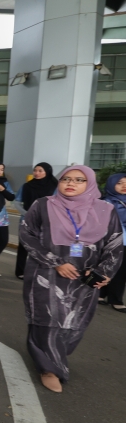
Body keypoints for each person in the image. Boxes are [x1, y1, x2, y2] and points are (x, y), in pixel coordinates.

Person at [21, 165, 122, 392]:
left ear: (90, 184)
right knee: (47, 319)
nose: (71, 183)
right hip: (46, 273)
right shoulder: (44, 205)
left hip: (85, 276)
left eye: (79, 180)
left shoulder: (106, 209)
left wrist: (104, 271)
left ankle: (55, 355)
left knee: (74, 322)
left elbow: (114, 244)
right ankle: (49, 368)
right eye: (66, 178)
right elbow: (27, 235)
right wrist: (56, 262)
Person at [16, 163, 58, 278]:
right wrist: (27, 214)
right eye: (35, 170)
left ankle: (39, 271)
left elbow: (57, 203)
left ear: (47, 172)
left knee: (43, 246)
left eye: (40, 171)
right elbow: (17, 201)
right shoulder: (27, 186)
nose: (37, 173)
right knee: (24, 245)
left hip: (46, 220)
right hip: (27, 220)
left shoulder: (55, 186)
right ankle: (20, 271)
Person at [101, 173, 126, 312]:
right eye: (119, 183)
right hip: (113, 241)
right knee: (108, 267)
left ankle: (108, 296)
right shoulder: (107, 203)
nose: (124, 186)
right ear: (111, 184)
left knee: (121, 271)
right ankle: (113, 299)